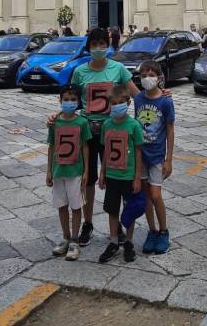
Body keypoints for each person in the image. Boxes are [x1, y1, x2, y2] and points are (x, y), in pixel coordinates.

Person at [50, 27, 138, 247]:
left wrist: (159, 93)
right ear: (88, 47)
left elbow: (137, 94)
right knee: (87, 180)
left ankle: (117, 224)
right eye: (94, 44)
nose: (99, 48)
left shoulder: (118, 69)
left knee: (116, 178)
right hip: (87, 132)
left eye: (102, 44)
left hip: (113, 132)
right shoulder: (80, 72)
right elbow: (71, 101)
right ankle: (87, 223)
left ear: (108, 46)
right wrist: (58, 114)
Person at [98, 85, 144, 264]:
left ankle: (129, 242)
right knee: (112, 209)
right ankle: (114, 241)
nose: (117, 106)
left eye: (120, 103)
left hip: (128, 176)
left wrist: (137, 177)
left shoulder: (134, 125)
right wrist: (102, 173)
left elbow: (139, 152)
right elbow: (106, 151)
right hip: (112, 175)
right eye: (113, 103)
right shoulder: (107, 125)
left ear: (128, 102)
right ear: (109, 104)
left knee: (129, 209)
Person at [46, 86, 91, 261]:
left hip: (76, 172)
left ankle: (74, 240)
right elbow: (51, 146)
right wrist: (49, 171)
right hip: (59, 171)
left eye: (73, 99)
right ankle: (65, 237)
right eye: (66, 99)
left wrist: (86, 170)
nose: (69, 102)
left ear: (78, 102)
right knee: (61, 205)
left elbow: (85, 147)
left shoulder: (82, 123)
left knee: (76, 206)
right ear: (60, 101)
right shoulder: (54, 122)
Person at [135, 61, 175, 255]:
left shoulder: (165, 101)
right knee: (145, 198)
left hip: (157, 155)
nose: (146, 78)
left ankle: (164, 231)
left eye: (151, 74)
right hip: (140, 155)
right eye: (143, 75)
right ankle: (152, 231)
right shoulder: (137, 99)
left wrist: (169, 159)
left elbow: (170, 129)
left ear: (159, 78)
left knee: (156, 195)